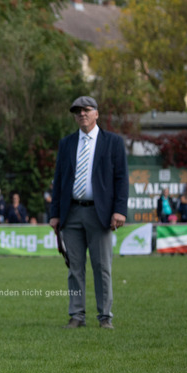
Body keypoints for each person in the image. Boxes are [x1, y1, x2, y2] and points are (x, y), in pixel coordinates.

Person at [49, 96, 129, 329]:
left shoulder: (113, 142)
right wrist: (54, 213)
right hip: (71, 213)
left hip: (100, 213)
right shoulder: (67, 143)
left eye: (86, 110)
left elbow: (122, 179)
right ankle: (77, 315)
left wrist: (119, 210)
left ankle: (105, 317)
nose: (82, 114)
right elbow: (59, 180)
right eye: (77, 111)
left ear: (96, 113)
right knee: (75, 267)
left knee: (102, 267)